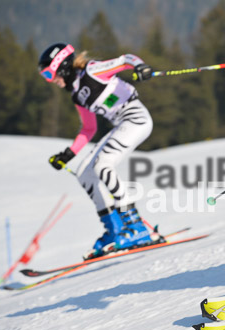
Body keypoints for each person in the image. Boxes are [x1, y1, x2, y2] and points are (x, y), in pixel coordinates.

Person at [38, 43, 158, 259]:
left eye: (49, 73)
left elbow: (125, 60)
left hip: (136, 118)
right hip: (121, 124)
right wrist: (68, 153)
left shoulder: (92, 71)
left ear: (61, 66)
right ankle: (115, 229)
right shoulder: (77, 94)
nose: (49, 80)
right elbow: (89, 128)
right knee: (85, 172)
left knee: (103, 165)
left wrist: (140, 66)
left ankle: (136, 227)